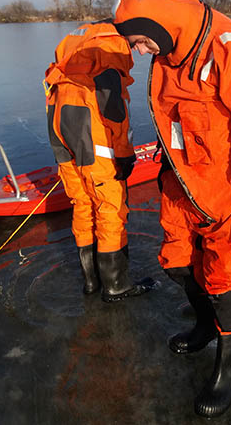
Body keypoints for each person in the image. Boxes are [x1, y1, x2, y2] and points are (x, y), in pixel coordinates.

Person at [113, 0, 231, 417]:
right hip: (181, 186)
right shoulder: (167, 55)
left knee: (230, 289)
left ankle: (226, 372)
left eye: (140, 41)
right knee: (176, 264)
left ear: (159, 27)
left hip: (230, 196)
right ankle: (204, 324)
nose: (138, 52)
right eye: (133, 44)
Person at [44, 20, 154, 302]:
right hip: (89, 128)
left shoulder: (79, 36)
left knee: (82, 203)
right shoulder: (111, 45)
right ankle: (116, 285)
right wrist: (125, 152)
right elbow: (114, 110)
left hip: (59, 120)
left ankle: (91, 282)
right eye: (140, 44)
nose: (141, 52)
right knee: (110, 206)